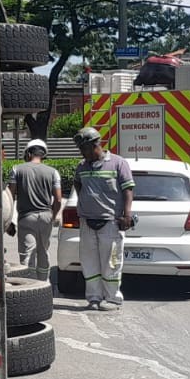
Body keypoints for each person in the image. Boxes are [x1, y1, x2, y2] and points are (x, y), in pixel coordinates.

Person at [73, 127, 135, 310]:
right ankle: (93, 298)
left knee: (112, 263)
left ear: (95, 145)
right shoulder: (81, 166)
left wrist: (127, 215)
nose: (82, 153)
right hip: (87, 222)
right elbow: (78, 184)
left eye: (83, 149)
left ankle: (113, 299)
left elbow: (128, 190)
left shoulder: (118, 163)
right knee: (89, 262)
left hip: (110, 222)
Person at [10, 138, 63, 279]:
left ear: (28, 153)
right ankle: (44, 284)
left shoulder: (17, 169)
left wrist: (9, 220)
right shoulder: (53, 172)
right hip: (46, 216)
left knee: (27, 253)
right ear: (43, 154)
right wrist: (53, 215)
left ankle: (29, 284)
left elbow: (10, 196)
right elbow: (58, 200)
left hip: (26, 218)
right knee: (43, 251)